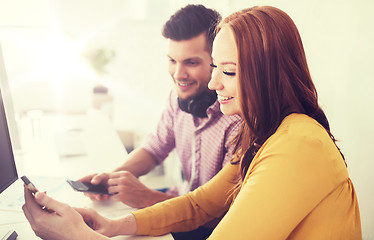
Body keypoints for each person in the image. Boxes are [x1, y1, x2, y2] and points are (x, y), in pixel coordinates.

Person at [23, 6, 362, 240]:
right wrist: (113, 225)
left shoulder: (298, 147)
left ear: (267, 76)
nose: (215, 84)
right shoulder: (263, 137)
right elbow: (200, 202)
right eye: (216, 68)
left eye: (228, 71)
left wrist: (77, 235)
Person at [78, 4, 241, 209]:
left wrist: (148, 198)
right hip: (180, 197)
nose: (178, 74)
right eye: (172, 60)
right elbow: (154, 148)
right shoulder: (178, 97)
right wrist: (113, 178)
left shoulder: (237, 121)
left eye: (191, 63)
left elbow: (220, 209)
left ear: (216, 62)